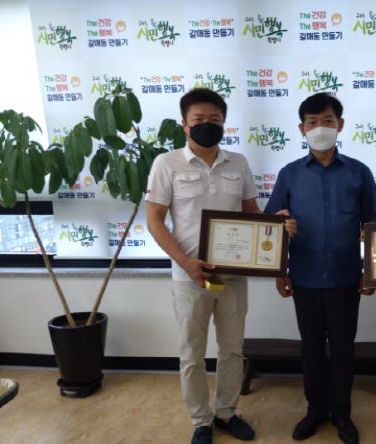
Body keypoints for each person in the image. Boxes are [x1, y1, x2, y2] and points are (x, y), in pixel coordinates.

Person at [146, 88, 295, 444]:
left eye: (214, 119)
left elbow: (251, 214)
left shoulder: (238, 163)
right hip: (189, 277)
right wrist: (186, 263)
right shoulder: (166, 164)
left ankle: (226, 412)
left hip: (233, 276)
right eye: (198, 119)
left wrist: (277, 225)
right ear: (185, 124)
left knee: (232, 349)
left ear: (224, 123)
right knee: (192, 353)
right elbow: (154, 221)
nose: (207, 124)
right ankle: (201, 420)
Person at [265, 92, 376, 444]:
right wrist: (280, 271)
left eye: (327, 121)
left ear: (340, 125)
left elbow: (374, 226)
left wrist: (372, 271)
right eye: (312, 122)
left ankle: (342, 414)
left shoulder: (359, 172)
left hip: (346, 277)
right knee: (312, 348)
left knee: (344, 349)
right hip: (304, 277)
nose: (320, 128)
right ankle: (315, 410)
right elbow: (273, 225)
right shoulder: (289, 174)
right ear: (302, 128)